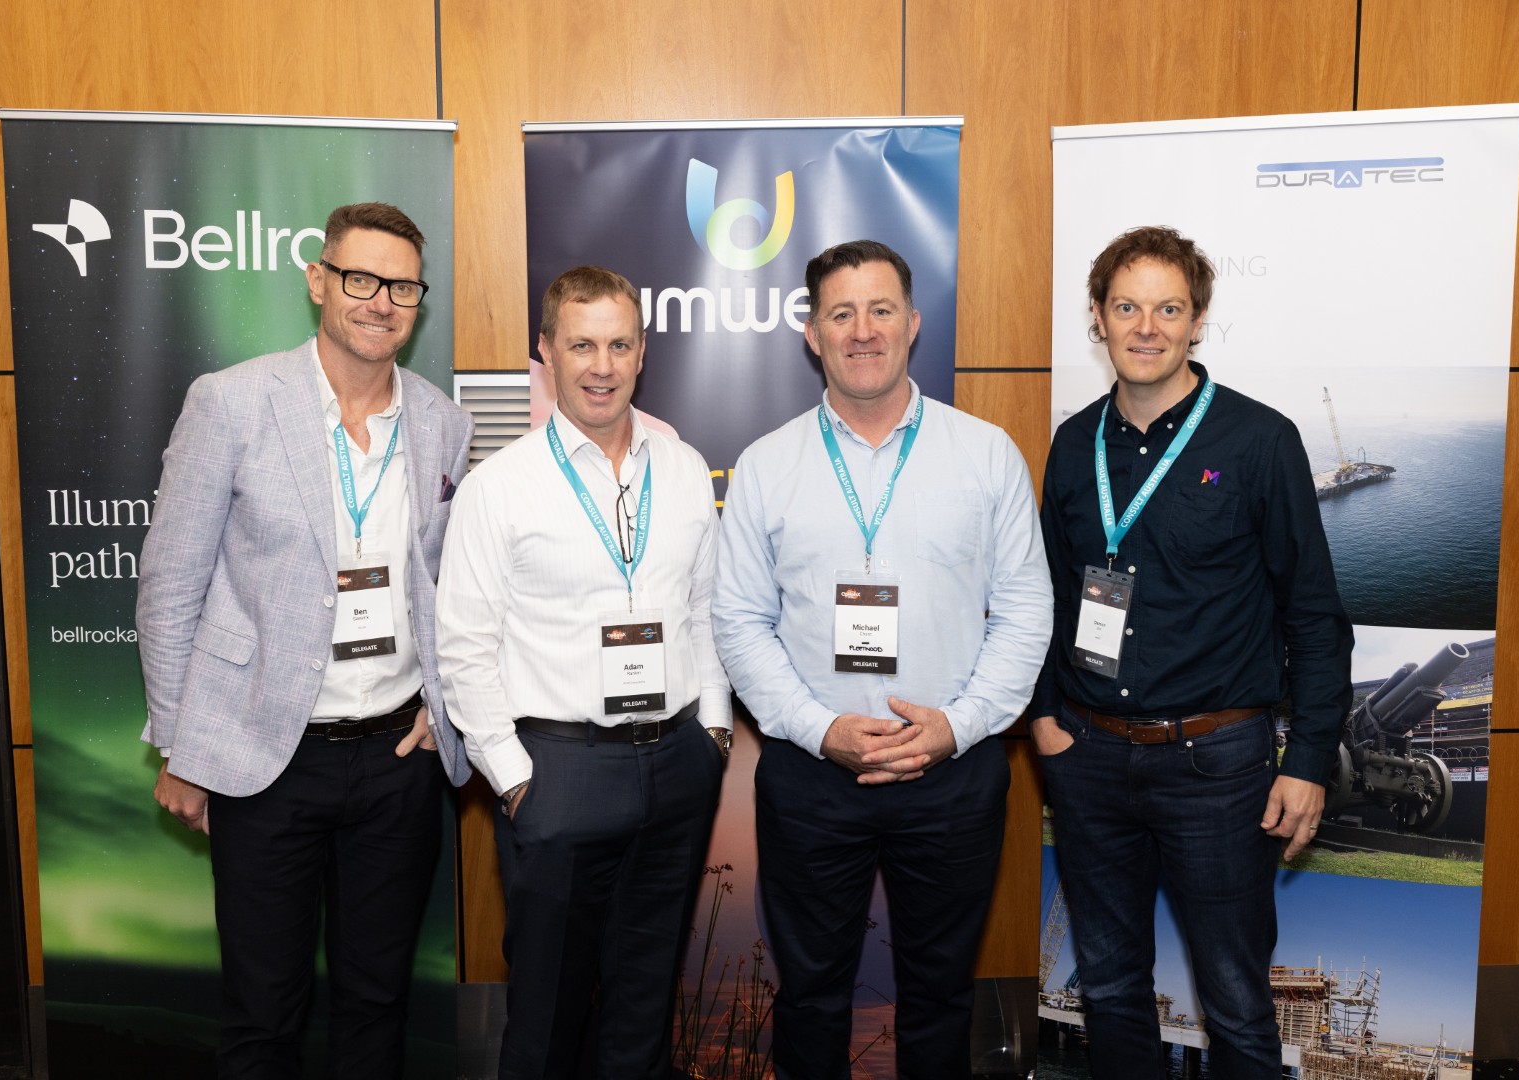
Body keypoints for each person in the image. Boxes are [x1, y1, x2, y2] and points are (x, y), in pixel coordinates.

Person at [135, 202, 474, 1078]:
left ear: (419, 301)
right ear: (319, 281)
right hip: (264, 756)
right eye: (360, 279)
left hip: (397, 759)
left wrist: (442, 707)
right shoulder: (231, 402)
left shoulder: (442, 421)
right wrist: (180, 745)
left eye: (402, 287)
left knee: (377, 1002)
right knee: (264, 1012)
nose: (380, 301)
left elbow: (447, 583)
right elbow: (170, 583)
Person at [713, 240, 1053, 1079]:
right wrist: (818, 729)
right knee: (809, 997)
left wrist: (958, 727)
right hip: (811, 776)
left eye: (879, 310)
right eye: (841, 313)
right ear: (811, 333)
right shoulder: (766, 465)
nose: (861, 330)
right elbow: (739, 622)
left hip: (952, 774)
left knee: (939, 996)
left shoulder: (985, 454)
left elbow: (1024, 612)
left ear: (913, 323)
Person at [1030, 225, 1353, 1079]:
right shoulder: (1072, 443)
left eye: (1167, 309)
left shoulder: (1258, 440)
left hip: (1216, 765)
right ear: (1097, 316)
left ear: (1197, 321)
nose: (1146, 327)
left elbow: (1313, 614)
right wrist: (1044, 719)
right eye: (1126, 307)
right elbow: (1046, 595)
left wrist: (1307, 761)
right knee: (1107, 986)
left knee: (1236, 1001)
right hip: (1088, 758)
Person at [436, 265, 730, 1079]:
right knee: (546, 1020)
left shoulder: (682, 466)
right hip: (558, 771)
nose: (602, 366)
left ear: (642, 352)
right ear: (545, 351)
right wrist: (513, 778)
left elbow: (704, 610)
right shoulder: (499, 486)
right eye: (581, 345)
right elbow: (463, 645)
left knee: (644, 1010)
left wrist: (712, 731)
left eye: (619, 345)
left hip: (676, 764)